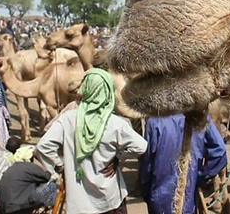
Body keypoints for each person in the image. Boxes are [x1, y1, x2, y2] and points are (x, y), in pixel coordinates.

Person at [35, 68, 148, 214]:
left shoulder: (67, 119)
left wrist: (60, 166)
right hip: (109, 197)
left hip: (78, 200)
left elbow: (42, 147)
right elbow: (141, 146)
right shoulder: (116, 123)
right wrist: (118, 158)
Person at [139, 114, 228, 214]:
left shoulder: (154, 121)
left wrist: (147, 194)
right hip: (188, 199)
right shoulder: (201, 118)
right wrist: (200, 177)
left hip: (160, 200)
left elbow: (146, 166)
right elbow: (220, 151)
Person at [0, 145, 59, 214]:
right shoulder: (28, 167)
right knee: (52, 185)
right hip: (18, 206)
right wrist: (51, 170)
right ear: (31, 158)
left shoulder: (11, 168)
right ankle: (48, 209)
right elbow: (47, 177)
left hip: (5, 207)